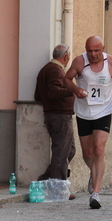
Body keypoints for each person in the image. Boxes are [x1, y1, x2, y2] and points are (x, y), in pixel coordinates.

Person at [64, 36, 112, 209]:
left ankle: (95, 193)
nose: (93, 54)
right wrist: (76, 89)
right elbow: (66, 79)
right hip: (84, 112)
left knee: (99, 148)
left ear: (103, 48)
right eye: (90, 51)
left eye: (96, 51)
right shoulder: (79, 61)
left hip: (104, 111)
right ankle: (94, 172)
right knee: (87, 152)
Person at [34, 44, 77, 198]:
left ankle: (45, 180)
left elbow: (38, 96)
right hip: (60, 116)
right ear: (66, 56)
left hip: (55, 115)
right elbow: (53, 92)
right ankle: (57, 188)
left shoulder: (46, 69)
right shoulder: (54, 70)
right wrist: (72, 90)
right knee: (61, 152)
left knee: (69, 150)